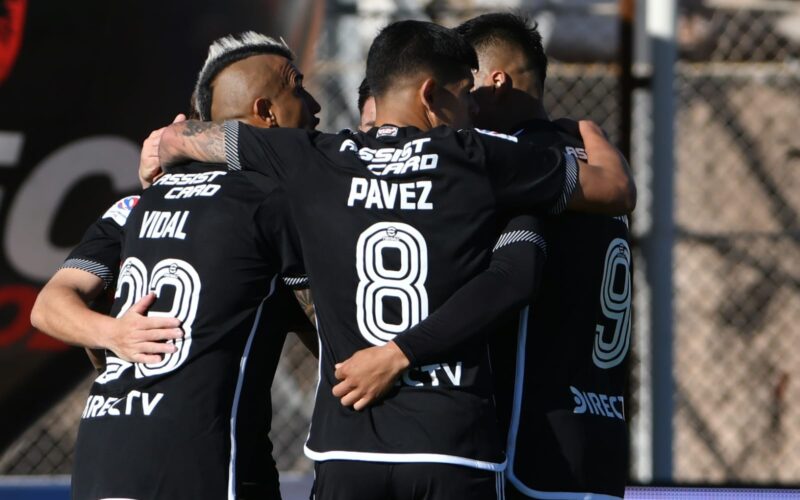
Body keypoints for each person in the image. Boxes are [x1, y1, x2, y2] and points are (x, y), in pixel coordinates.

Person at [152, 20, 634, 500]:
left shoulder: (319, 156)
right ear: (430, 96)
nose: (472, 108)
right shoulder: (477, 156)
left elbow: (193, 138)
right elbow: (615, 190)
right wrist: (586, 130)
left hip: (347, 444)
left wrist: (163, 149)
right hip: (449, 444)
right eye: (465, 93)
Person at [31, 32, 319, 500]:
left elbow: (49, 306)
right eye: (299, 89)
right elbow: (328, 338)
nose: (314, 106)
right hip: (205, 462)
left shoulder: (136, 206)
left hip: (107, 455)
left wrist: (111, 334)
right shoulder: (274, 202)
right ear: (265, 113)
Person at [457, 13, 631, 499]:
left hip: (533, 444)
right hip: (600, 438)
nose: (455, 106)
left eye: (460, 88)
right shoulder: (583, 159)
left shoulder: (515, 162)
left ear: (496, 82)